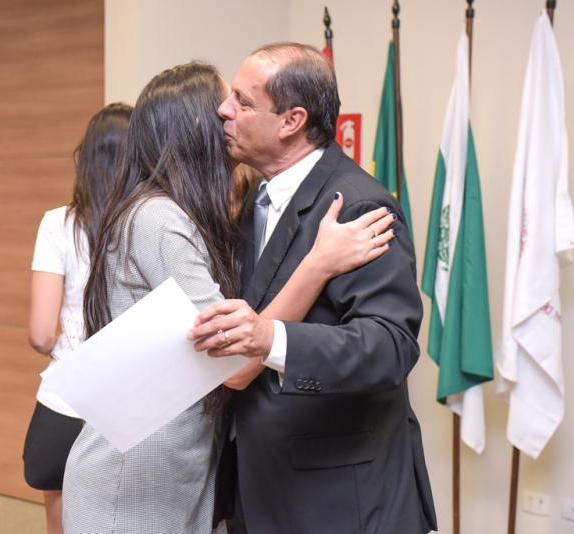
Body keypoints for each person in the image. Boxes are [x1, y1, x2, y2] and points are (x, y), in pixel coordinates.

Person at [61, 62, 396, 534]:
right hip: (136, 475)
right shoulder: (158, 218)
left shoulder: (196, 210)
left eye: (240, 103)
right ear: (198, 127)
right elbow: (236, 363)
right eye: (226, 105)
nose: (231, 113)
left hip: (174, 466)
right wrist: (319, 263)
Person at [188, 42, 438, 533]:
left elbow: (390, 345)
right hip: (262, 486)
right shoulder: (255, 200)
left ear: (292, 121)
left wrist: (273, 339)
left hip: (337, 497)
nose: (224, 110)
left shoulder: (359, 207)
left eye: (242, 101)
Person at [24, 103, 133, 534]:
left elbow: (39, 334)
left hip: (67, 399)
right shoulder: (153, 222)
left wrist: (62, 345)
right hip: (133, 399)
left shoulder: (58, 224)